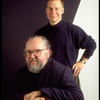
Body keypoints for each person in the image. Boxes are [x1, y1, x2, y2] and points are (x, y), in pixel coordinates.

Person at [34, 0, 96, 86]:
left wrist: (82, 62)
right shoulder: (39, 34)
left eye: (57, 9)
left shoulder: (73, 30)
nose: (53, 12)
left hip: (68, 79)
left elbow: (91, 44)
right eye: (50, 9)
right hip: (46, 80)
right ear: (46, 10)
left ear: (62, 10)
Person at [9, 35, 84, 100]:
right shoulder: (21, 73)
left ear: (47, 53)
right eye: (28, 52)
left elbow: (78, 97)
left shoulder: (62, 71)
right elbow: (10, 96)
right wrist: (25, 97)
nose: (32, 56)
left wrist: (42, 92)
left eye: (37, 51)